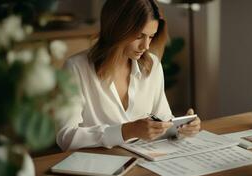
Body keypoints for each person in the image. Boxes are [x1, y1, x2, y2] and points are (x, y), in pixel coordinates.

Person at [56, 0, 201, 151]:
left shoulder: (152, 65)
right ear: (116, 29)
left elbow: (163, 121)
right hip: (95, 164)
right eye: (139, 36)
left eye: (151, 37)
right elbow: (66, 137)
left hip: (145, 163)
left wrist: (182, 128)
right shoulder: (75, 68)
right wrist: (126, 131)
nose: (145, 46)